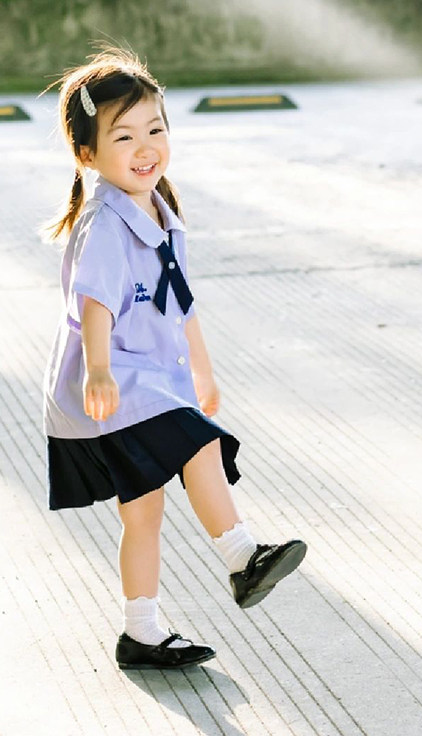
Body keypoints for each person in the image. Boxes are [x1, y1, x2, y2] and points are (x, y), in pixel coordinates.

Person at [43, 48, 307, 671]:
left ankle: (141, 632)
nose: (146, 147)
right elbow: (94, 304)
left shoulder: (161, 212)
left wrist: (204, 371)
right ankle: (243, 556)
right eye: (125, 135)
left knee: (146, 514)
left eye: (156, 130)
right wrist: (101, 368)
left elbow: (181, 304)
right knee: (200, 444)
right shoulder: (105, 221)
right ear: (88, 154)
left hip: (153, 382)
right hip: (112, 387)